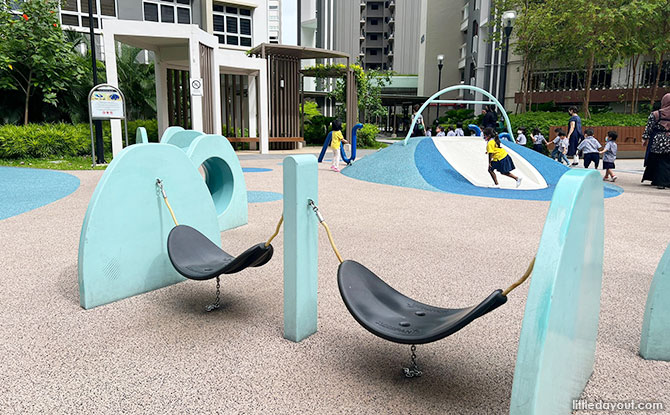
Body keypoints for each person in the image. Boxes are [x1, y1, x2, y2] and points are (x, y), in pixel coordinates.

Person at [642, 93, 670, 189]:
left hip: (659, 140)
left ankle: (661, 182)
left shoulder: (656, 114)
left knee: (660, 161)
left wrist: (645, 138)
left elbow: (649, 127)